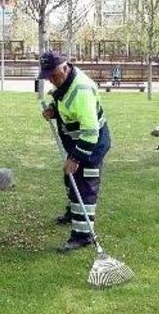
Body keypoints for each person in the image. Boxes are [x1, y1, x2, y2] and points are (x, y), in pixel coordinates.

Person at [38, 51, 112, 253]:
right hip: (75, 141)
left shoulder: (82, 90)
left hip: (92, 145)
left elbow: (90, 132)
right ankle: (74, 213)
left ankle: (83, 235)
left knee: (84, 184)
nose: (51, 80)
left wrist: (76, 158)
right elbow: (64, 100)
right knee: (70, 179)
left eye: (53, 74)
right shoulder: (65, 82)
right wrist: (53, 109)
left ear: (64, 67)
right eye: (48, 76)